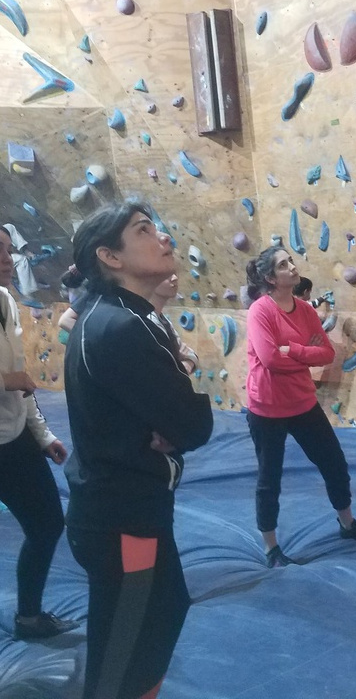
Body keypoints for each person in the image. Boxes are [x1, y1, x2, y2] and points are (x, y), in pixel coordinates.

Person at [64, 201, 213, 699]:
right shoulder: (123, 328)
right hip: (122, 518)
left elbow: (174, 418)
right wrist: (182, 414)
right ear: (111, 256)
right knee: (125, 651)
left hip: (128, 509)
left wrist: (172, 413)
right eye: (144, 231)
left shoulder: (122, 316)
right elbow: (192, 425)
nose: (163, 237)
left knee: (164, 611)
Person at [245, 247, 356, 568]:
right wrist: (302, 355)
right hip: (267, 407)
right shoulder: (260, 312)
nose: (293, 267)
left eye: (290, 261)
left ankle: (347, 523)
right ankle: (271, 547)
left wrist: (292, 349)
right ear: (269, 278)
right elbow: (269, 359)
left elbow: (326, 355)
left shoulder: (305, 310)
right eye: (283, 264)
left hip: (303, 402)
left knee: (334, 462)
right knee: (270, 478)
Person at [0, 224, 78, 640]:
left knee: (47, 524)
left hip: (13, 439)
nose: (7, 260)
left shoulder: (8, 304)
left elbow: (23, 381)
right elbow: (11, 380)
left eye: (9, 250)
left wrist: (43, 435)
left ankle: (29, 617)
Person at [59, 271, 198, 376]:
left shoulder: (158, 319)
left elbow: (185, 354)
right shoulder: (102, 296)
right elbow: (65, 320)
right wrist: (101, 344)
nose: (175, 278)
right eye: (166, 276)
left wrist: (186, 364)